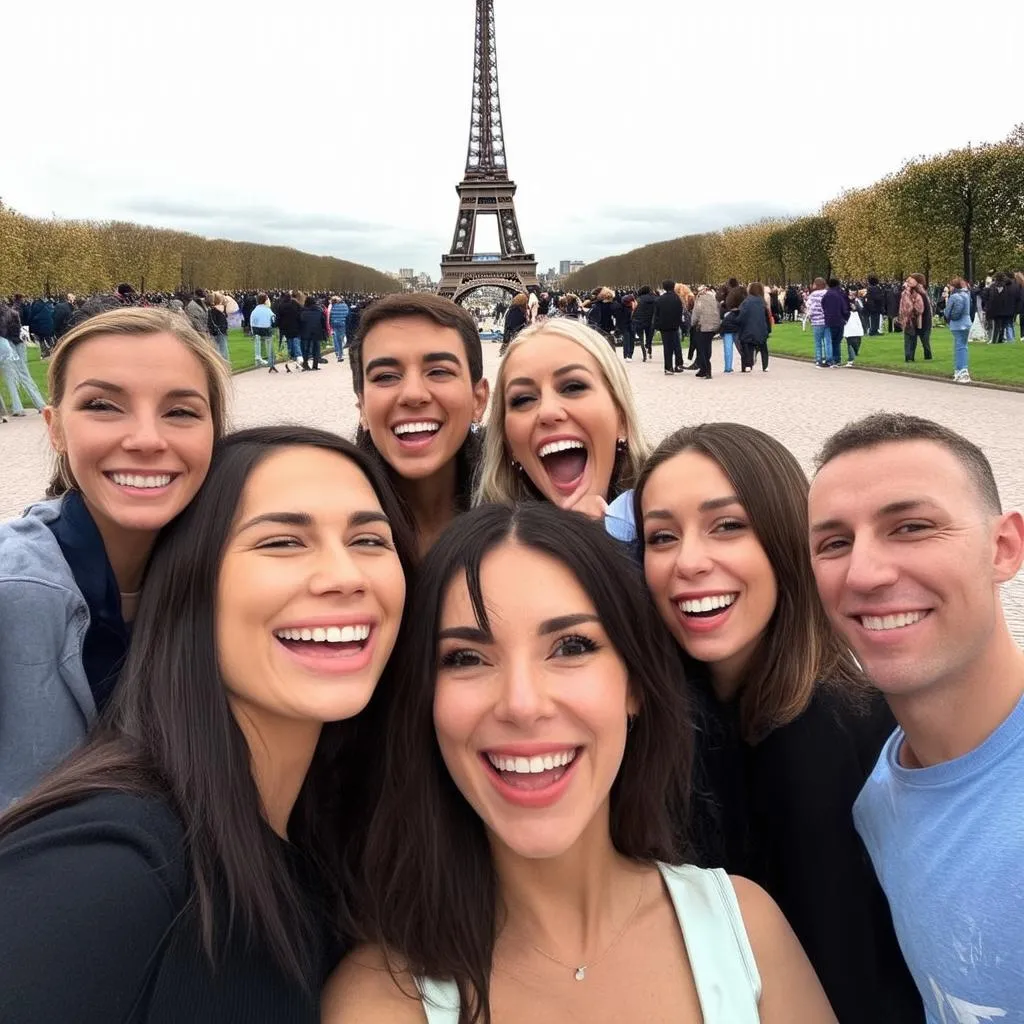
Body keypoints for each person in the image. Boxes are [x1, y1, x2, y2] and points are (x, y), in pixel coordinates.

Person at [323, 503, 836, 1024]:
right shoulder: (380, 1000)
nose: (522, 704)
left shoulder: (745, 931)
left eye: (571, 646)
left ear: (634, 684)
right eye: (466, 657)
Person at [0, 426, 414, 1022]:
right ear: (191, 584)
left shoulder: (339, 834)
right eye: (282, 542)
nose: (345, 575)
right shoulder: (109, 866)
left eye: (370, 540)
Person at [634, 423, 924, 1023]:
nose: (688, 561)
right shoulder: (685, 714)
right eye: (661, 536)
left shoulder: (832, 738)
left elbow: (850, 984)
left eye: (728, 525)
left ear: (787, 539)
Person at [809, 413, 1024, 1021]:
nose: (865, 573)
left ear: (1003, 548)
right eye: (834, 543)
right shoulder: (880, 799)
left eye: (911, 527)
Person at [0, 308, 231, 808]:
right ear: (55, 429)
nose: (147, 439)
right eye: (103, 405)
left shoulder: (235, 569)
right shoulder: (12, 594)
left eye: (181, 411)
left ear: (216, 432)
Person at [349, 293, 489, 556]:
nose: (413, 394)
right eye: (386, 376)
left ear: (478, 400)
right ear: (363, 406)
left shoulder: (532, 518)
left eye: (439, 371)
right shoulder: (324, 518)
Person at [475, 317, 649, 521]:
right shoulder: (480, 549)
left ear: (621, 417)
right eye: (523, 399)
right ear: (508, 444)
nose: (548, 412)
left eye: (573, 387)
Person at [0, 297, 46, 415]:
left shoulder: (3, 317)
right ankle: (40, 404)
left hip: (7, 345)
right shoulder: (13, 313)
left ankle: (18, 408)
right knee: (25, 375)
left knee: (11, 378)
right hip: (19, 343)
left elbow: (3, 332)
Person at [736, 282, 771, 372]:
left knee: (747, 345)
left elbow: (742, 315)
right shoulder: (763, 302)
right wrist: (768, 329)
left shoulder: (746, 302)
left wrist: (738, 321)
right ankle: (765, 366)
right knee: (764, 348)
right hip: (761, 329)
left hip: (748, 329)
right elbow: (767, 317)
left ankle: (748, 364)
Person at [943, 277, 973, 383]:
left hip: (957, 324)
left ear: (953, 286)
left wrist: (948, 315)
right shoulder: (967, 294)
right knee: (962, 346)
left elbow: (948, 312)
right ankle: (959, 370)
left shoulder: (954, 297)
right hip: (967, 322)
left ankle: (962, 370)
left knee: (959, 347)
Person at [654, 279, 685, 375]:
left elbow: (657, 314)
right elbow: (680, 312)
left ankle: (668, 367)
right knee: (677, 345)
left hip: (664, 326)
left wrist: (657, 325)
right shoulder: (677, 298)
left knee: (667, 347)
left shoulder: (660, 299)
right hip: (675, 325)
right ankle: (678, 364)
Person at [689, 285, 720, 379]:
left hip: (703, 327)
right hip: (713, 327)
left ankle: (706, 369)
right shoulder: (714, 299)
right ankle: (703, 369)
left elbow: (696, 314)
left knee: (702, 348)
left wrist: (692, 323)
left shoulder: (700, 300)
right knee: (708, 346)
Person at [899, 276, 931, 361]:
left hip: (920, 319)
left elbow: (920, 308)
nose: (908, 280)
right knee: (911, 338)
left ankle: (926, 356)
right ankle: (910, 357)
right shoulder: (909, 292)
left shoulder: (920, 294)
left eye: (911, 279)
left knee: (923, 340)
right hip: (911, 319)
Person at [821, 279, 850, 368]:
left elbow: (823, 305)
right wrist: (846, 318)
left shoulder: (827, 294)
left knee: (830, 341)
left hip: (830, 320)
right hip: (841, 320)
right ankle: (837, 359)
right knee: (837, 341)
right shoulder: (842, 294)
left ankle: (831, 360)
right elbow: (846, 307)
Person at [803, 277, 830, 367]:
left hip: (817, 321)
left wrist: (809, 316)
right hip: (827, 320)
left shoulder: (813, 295)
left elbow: (808, 306)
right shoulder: (827, 293)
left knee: (818, 342)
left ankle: (819, 359)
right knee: (827, 341)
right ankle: (829, 359)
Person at [250, 292, 278, 373]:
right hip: (266, 329)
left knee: (257, 342)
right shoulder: (268, 310)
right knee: (269, 342)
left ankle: (258, 358)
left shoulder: (254, 310)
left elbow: (252, 321)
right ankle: (270, 360)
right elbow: (273, 319)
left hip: (256, 329)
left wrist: (253, 331)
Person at [298, 295, 326, 371]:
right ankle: (315, 365)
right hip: (317, 331)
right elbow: (323, 322)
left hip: (305, 331)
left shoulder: (302, 311)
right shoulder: (319, 310)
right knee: (316, 348)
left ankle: (306, 363)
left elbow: (299, 322)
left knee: (305, 348)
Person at [631, 284, 657, 361]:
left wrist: (633, 318)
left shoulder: (638, 300)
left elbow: (635, 310)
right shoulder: (655, 299)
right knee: (649, 337)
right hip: (650, 321)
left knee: (641, 339)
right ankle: (649, 350)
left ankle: (644, 355)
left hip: (639, 320)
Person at [208, 292, 231, 362]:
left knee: (217, 350)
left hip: (215, 331)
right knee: (223, 349)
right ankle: (225, 364)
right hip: (221, 331)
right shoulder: (222, 309)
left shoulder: (212, 310)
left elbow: (210, 322)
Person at [329, 295, 350, 363]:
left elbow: (330, 315)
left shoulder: (333, 306)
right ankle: (340, 352)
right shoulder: (345, 306)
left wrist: (330, 324)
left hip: (335, 323)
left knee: (337, 338)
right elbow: (347, 314)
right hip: (343, 323)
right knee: (342, 337)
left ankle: (339, 353)